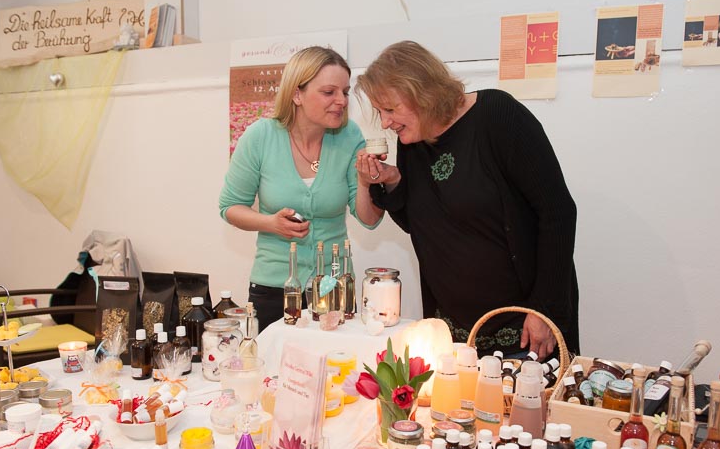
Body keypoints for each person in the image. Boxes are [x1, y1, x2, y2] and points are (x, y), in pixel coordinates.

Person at [354, 41, 579, 360]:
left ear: (422, 93)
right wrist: (392, 182)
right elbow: (420, 224)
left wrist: (544, 309)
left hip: (524, 329)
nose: (385, 122)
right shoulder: (413, 140)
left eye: (390, 109)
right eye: (380, 112)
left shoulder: (497, 116)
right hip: (454, 335)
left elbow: (558, 212)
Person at [219, 47, 383, 331]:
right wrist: (271, 223)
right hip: (274, 289)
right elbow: (230, 207)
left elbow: (369, 220)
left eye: (345, 92)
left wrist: (366, 180)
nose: (342, 101)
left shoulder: (350, 137)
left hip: (334, 286)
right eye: (329, 92)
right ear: (297, 94)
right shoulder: (260, 136)